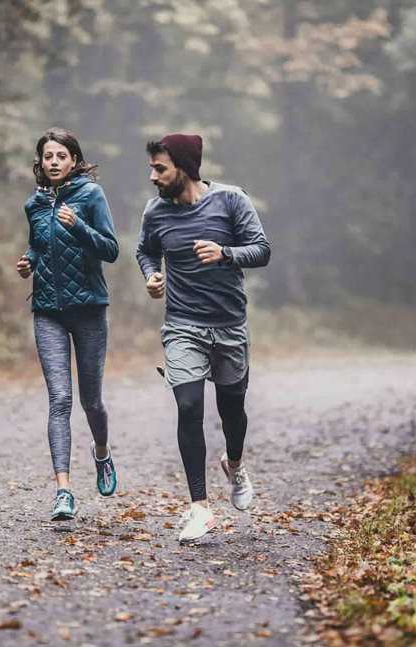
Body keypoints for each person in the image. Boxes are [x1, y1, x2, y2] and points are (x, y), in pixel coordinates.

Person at [135, 133, 271, 543]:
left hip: (229, 325)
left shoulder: (231, 201)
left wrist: (225, 252)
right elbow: (145, 251)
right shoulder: (155, 212)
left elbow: (261, 250)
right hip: (182, 324)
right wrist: (152, 276)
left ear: (185, 168)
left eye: (160, 168)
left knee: (233, 410)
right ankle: (199, 507)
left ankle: (236, 464)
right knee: (189, 405)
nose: (153, 176)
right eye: (152, 168)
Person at [16, 127, 119, 521]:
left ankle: (102, 453)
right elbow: (38, 245)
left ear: (74, 160)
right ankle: (63, 491)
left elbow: (110, 249)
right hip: (48, 312)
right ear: (41, 163)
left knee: (91, 401)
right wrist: (28, 262)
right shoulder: (34, 205)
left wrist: (78, 225)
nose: (54, 162)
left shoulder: (91, 195)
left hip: (90, 309)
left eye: (62, 155)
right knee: (59, 399)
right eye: (48, 156)